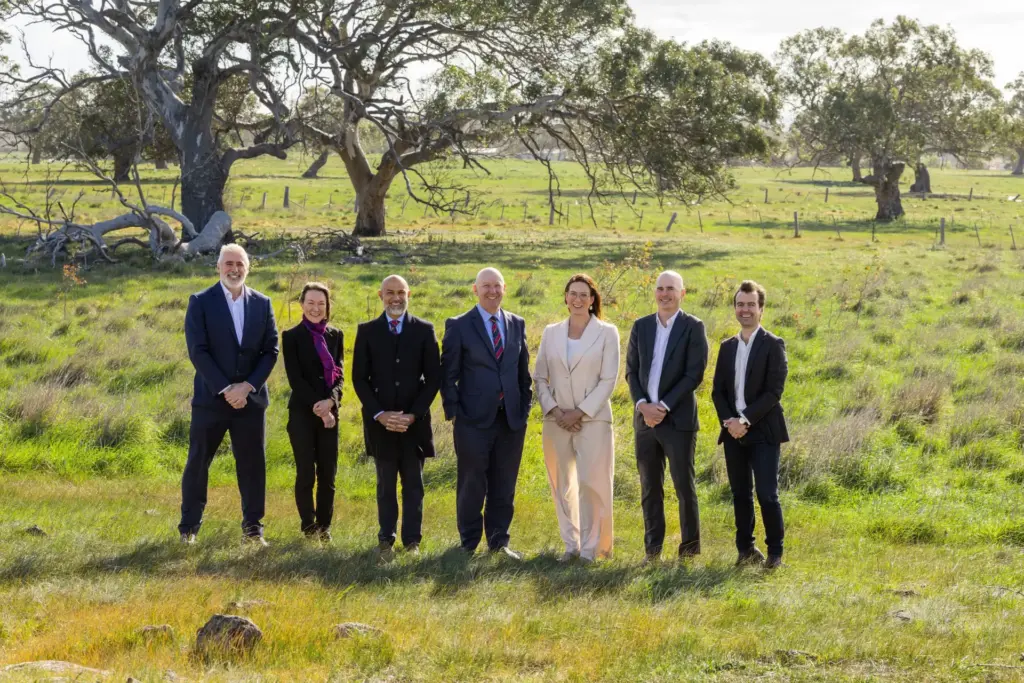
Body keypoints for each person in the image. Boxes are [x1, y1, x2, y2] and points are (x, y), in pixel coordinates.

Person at [179, 244, 279, 546]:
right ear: (218, 267)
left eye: (240, 264)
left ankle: (252, 529)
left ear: (248, 268)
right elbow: (198, 351)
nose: (234, 269)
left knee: (252, 465)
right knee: (198, 462)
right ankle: (189, 528)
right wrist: (226, 388)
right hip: (211, 400)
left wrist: (247, 387)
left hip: (250, 401)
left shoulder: (263, 303)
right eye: (229, 264)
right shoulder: (200, 302)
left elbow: (270, 350)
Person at [441, 267, 533, 559]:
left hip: (511, 420)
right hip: (472, 420)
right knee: (472, 482)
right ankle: (467, 543)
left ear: (504, 288)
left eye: (497, 286)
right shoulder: (459, 325)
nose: (491, 291)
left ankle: (498, 542)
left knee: (504, 483)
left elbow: (522, 374)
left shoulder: (516, 323)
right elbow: (447, 374)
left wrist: (525, 408)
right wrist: (454, 411)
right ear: (475, 289)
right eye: (486, 286)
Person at [352, 274, 441, 562]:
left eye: (400, 292)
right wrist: (380, 414)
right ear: (380, 295)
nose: (395, 298)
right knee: (385, 485)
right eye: (390, 293)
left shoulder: (424, 330)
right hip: (381, 425)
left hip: (414, 425)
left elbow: (433, 379)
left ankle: (412, 541)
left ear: (409, 294)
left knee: (414, 485)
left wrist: (413, 415)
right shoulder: (367, 331)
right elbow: (359, 379)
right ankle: (385, 539)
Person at [534, 274, 620, 563]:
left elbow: (609, 380)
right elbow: (540, 377)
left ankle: (592, 549)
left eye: (584, 294)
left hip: (592, 420)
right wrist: (557, 411)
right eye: (573, 293)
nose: (578, 299)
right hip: (556, 421)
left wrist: (579, 412)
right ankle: (571, 545)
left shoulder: (607, 333)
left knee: (592, 483)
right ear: (566, 297)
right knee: (562, 484)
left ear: (593, 299)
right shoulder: (550, 333)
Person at [624, 270, 708, 563]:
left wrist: (664, 406)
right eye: (660, 288)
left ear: (682, 293)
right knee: (650, 487)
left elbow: (694, 373)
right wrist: (643, 405)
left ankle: (689, 552)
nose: (664, 293)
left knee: (684, 486)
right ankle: (652, 551)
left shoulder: (693, 327)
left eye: (671, 288)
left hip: (678, 419)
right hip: (644, 420)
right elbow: (631, 371)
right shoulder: (641, 326)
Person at [711, 280, 789, 569]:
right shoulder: (727, 347)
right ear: (735, 307)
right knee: (740, 494)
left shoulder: (773, 344)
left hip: (764, 432)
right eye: (740, 304)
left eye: (751, 305)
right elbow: (717, 391)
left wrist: (744, 420)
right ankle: (745, 550)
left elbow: (774, 392)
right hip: (733, 433)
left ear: (761, 309)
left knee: (767, 494)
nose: (745, 310)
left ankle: (775, 554)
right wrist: (731, 422)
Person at [281, 282, 344, 541]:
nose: (316, 308)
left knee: (327, 473)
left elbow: (340, 375)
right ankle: (308, 527)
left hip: (330, 413)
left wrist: (332, 402)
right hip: (303, 415)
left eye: (321, 303)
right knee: (306, 472)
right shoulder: (291, 336)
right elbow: (296, 380)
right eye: (311, 303)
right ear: (302, 305)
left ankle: (325, 526)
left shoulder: (336, 335)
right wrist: (320, 408)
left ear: (327, 306)